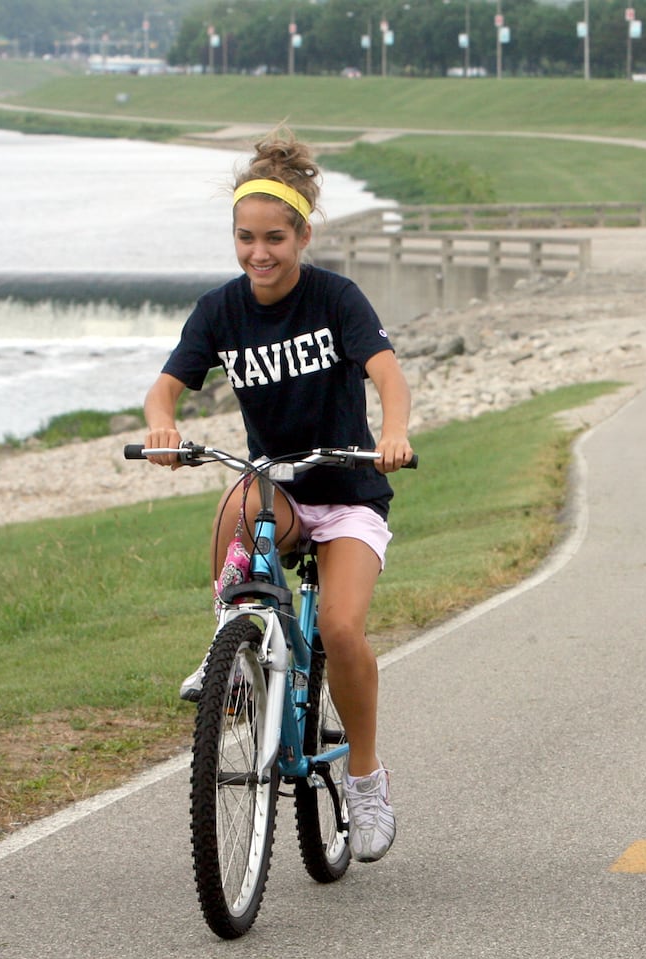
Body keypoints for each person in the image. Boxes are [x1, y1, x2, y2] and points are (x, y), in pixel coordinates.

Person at [140, 127, 414, 863]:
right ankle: (229, 641)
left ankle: (363, 779)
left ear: (301, 236)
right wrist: (163, 424)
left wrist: (393, 432)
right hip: (280, 492)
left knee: (342, 633)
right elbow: (165, 386)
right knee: (240, 496)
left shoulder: (336, 298)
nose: (258, 254)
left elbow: (387, 372)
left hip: (350, 490)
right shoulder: (221, 310)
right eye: (244, 238)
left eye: (273, 239)